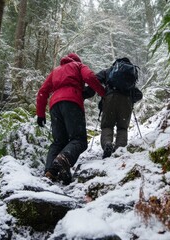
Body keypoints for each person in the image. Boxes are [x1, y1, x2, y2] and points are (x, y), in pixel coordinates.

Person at [36, 53, 105, 185]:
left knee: (58, 142)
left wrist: (40, 113)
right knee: (79, 140)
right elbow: (90, 77)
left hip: (54, 105)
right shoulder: (78, 66)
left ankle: (50, 172)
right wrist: (103, 93)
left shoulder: (56, 71)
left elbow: (43, 91)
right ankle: (64, 159)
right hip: (72, 102)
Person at [95, 57, 142, 158]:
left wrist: (103, 92)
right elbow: (139, 94)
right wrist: (132, 99)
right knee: (122, 128)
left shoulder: (109, 71)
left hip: (110, 99)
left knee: (107, 125)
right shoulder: (131, 74)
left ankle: (107, 143)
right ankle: (119, 150)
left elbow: (95, 79)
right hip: (126, 101)